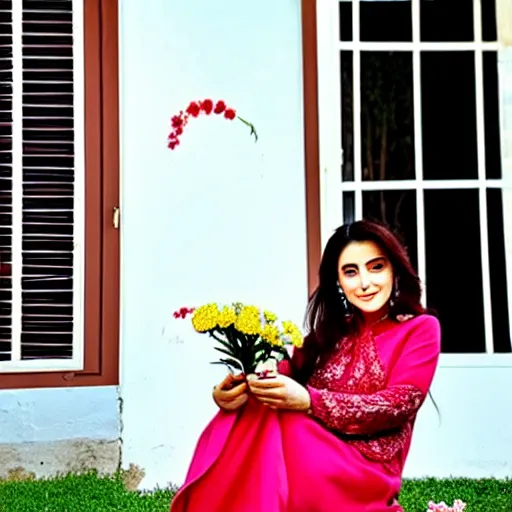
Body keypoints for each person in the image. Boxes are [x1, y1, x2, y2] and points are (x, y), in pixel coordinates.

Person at [170, 220, 441, 512]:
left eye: (376, 267)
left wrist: (310, 401)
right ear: (337, 281)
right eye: (351, 272)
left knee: (287, 419)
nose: (364, 283)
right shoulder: (331, 333)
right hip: (311, 457)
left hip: (367, 469)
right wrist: (232, 393)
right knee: (259, 407)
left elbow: (398, 405)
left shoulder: (421, 329)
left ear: (394, 270)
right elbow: (275, 376)